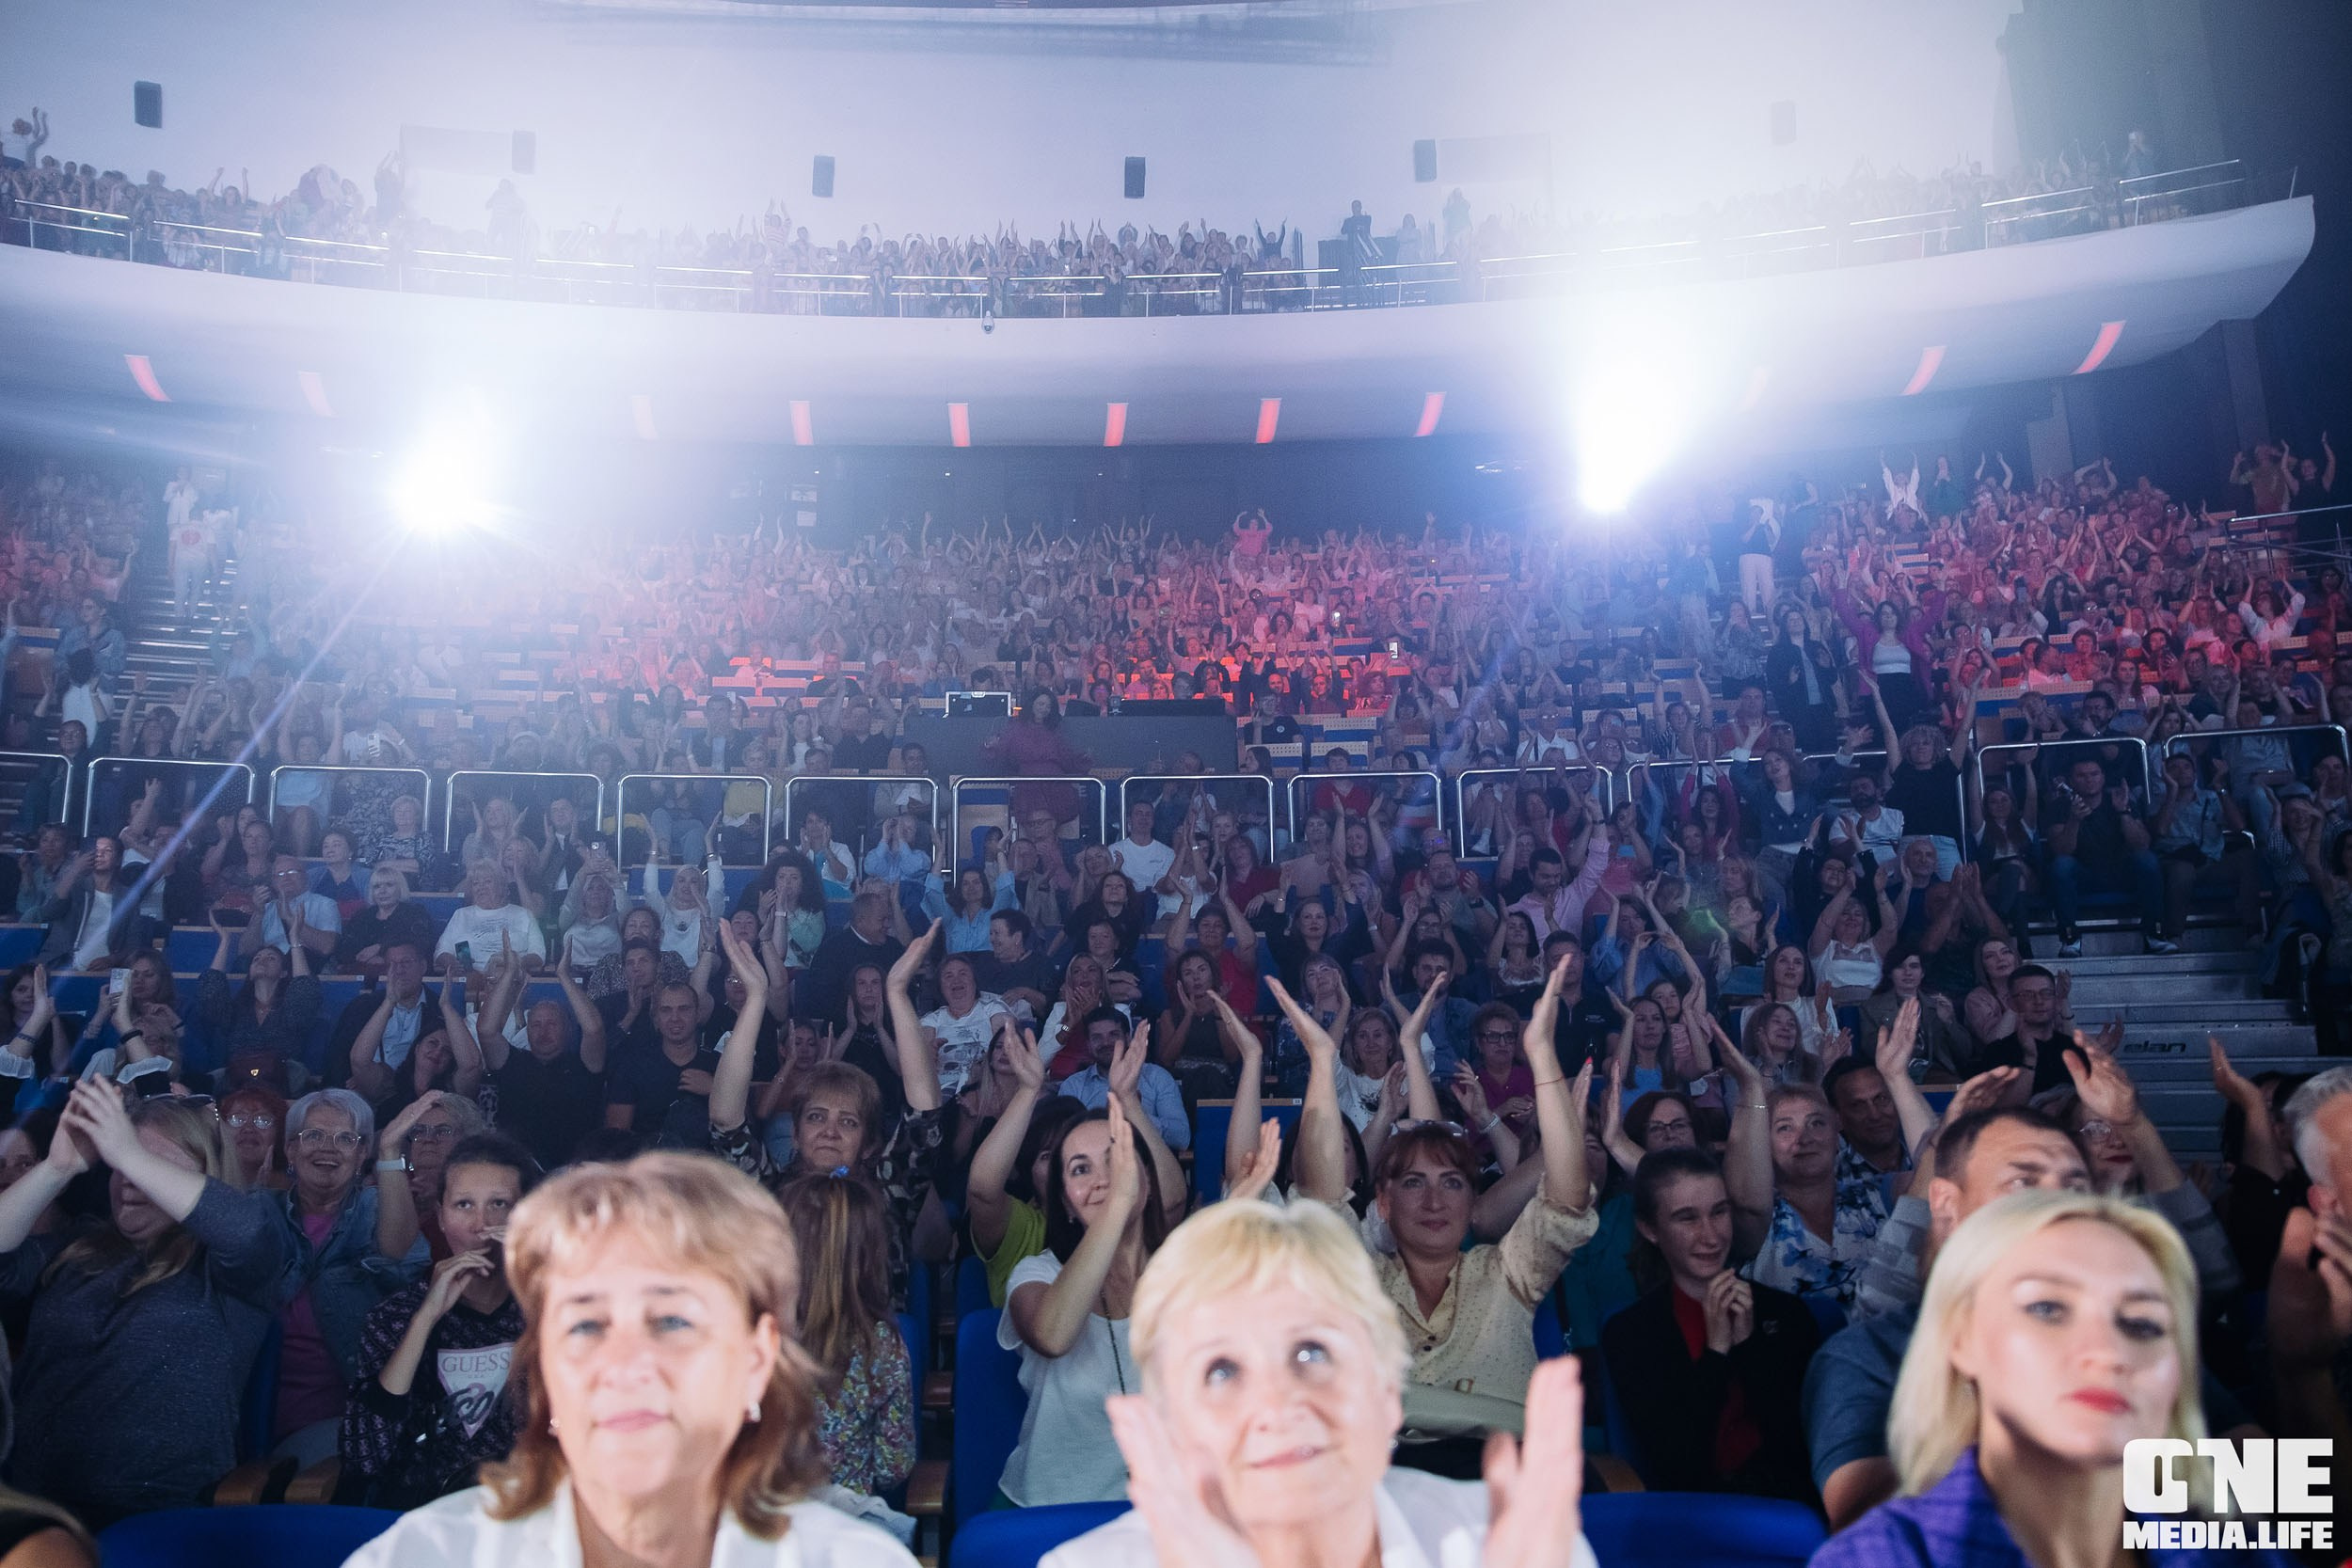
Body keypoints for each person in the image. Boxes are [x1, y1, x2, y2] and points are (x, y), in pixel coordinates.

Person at [342, 1152, 920, 1568]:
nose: (625, 1364)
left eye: (673, 1322)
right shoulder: (428, 1554)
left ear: (755, 1361)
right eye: (585, 1325)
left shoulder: (851, 1559)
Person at [1041, 1200, 1597, 1568]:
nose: (1276, 1403)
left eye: (1311, 1353)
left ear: (1384, 1392)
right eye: (1221, 1370)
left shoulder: (1505, 1540)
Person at [1809, 1191, 2247, 1568]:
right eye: (2047, 1309)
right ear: (1962, 1340)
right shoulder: (1879, 1558)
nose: (2109, 1351)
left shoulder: (2239, 1554)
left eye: (2143, 1324)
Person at [0, 1082, 289, 1528]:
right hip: (32, 1506)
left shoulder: (227, 1267)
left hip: (152, 1514)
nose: (131, 1180)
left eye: (155, 1165)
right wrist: (57, 1168)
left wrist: (129, 1152)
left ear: (205, 1178)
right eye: (118, 1164)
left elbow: (247, 1232)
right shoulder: (78, 1243)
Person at [1599, 1148, 1820, 1504]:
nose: (1711, 1236)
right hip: (1694, 1518)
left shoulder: (1786, 1313)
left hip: (1794, 1511)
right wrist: (1716, 1354)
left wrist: (1749, 1348)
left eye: (1719, 1212)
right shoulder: (1631, 1333)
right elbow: (1678, 1463)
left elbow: (1803, 1446)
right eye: (1687, 1218)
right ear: (1650, 1229)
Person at [342, 1133, 542, 1508]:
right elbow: (365, 1456)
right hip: (423, 1513)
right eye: (464, 1205)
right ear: (441, 1217)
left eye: (499, 1204)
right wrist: (426, 1318)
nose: (481, 1224)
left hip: (527, 1511)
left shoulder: (549, 1309)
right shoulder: (396, 1315)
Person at [997, 1095, 1173, 1508]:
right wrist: (1118, 1204)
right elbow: (1053, 1336)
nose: (1103, 1179)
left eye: (1117, 1160)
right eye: (1081, 1169)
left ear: (1148, 1182)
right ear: (1066, 1204)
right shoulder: (1035, 1274)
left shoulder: (1182, 1275)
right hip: (1052, 1515)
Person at [776, 1175, 915, 1499]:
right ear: (868, 1257)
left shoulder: (752, 1338)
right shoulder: (882, 1344)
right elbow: (893, 1468)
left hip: (762, 1517)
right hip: (845, 1518)